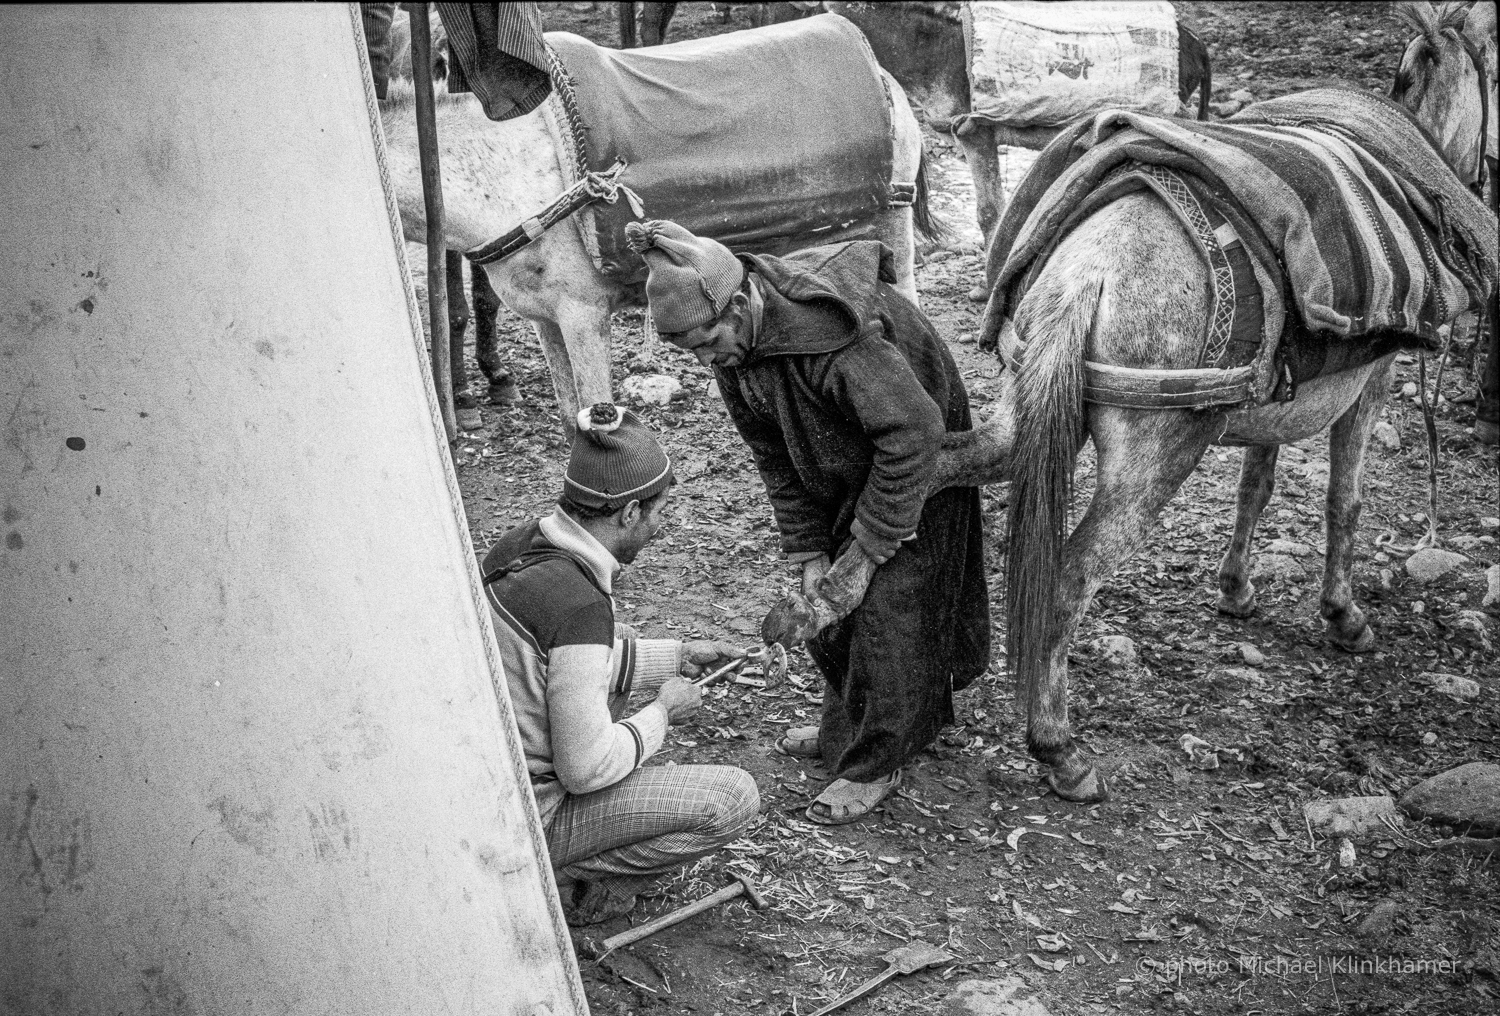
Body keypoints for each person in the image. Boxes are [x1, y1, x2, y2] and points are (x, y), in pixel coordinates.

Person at [624, 219, 990, 826]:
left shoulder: (835, 337)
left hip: (916, 461)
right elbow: (773, 453)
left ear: (740, 304)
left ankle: (877, 763)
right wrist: (809, 548)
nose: (705, 360)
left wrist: (867, 548)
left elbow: (913, 433)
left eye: (708, 341)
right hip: (842, 460)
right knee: (824, 610)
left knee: (892, 610)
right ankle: (845, 730)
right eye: (690, 352)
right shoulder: (734, 351)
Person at [482, 403, 759, 925]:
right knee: (732, 798)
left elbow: (558, 667)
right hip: (524, 814)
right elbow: (585, 771)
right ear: (629, 512)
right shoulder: (582, 607)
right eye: (658, 513)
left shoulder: (521, 544)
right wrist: (663, 713)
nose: (660, 527)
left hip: (488, 772)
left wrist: (676, 656)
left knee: (620, 640)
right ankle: (563, 876)